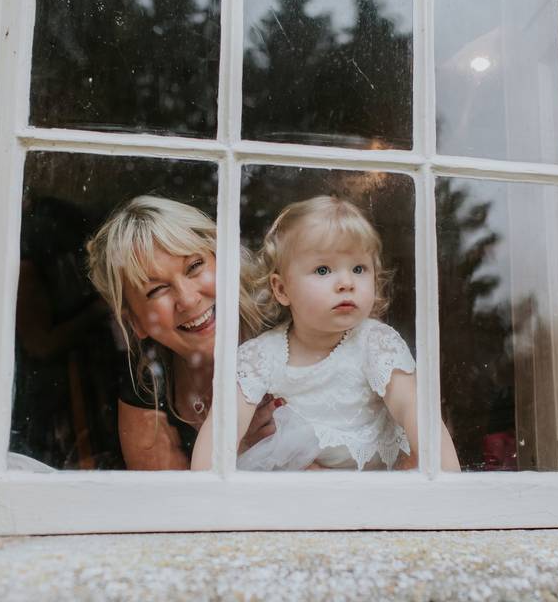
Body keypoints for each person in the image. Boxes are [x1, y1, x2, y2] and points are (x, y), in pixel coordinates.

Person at [191, 196, 461, 471]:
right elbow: (222, 428)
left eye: (359, 269)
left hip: (375, 492)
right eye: (323, 270)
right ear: (282, 289)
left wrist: (447, 485)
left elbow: (416, 413)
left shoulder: (376, 342)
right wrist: (204, 494)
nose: (346, 283)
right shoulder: (260, 355)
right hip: (301, 495)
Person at [86, 195, 282, 470]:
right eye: (156, 290)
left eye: (194, 266)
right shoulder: (148, 383)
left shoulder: (292, 334)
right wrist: (237, 449)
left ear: (223, 260)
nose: (188, 299)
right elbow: (169, 507)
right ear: (136, 323)